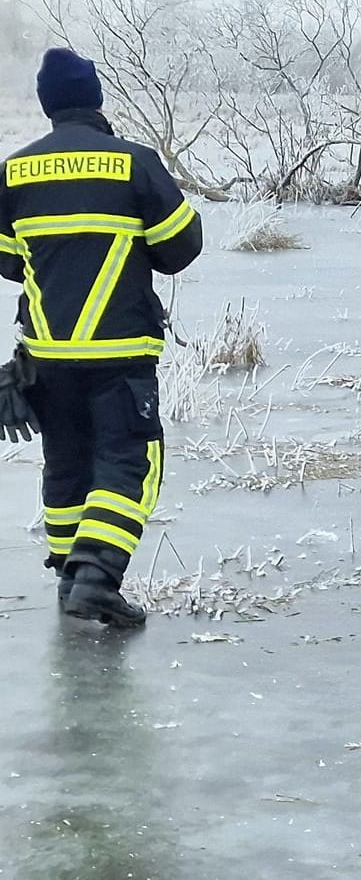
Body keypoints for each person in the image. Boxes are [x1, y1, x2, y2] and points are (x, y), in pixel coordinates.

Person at [0, 48, 202, 627]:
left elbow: (10, 261)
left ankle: (69, 575)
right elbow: (181, 248)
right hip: (119, 352)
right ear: (96, 98)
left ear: (47, 105)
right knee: (129, 463)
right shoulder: (133, 163)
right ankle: (96, 574)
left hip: (46, 357)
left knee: (65, 465)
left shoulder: (14, 170)